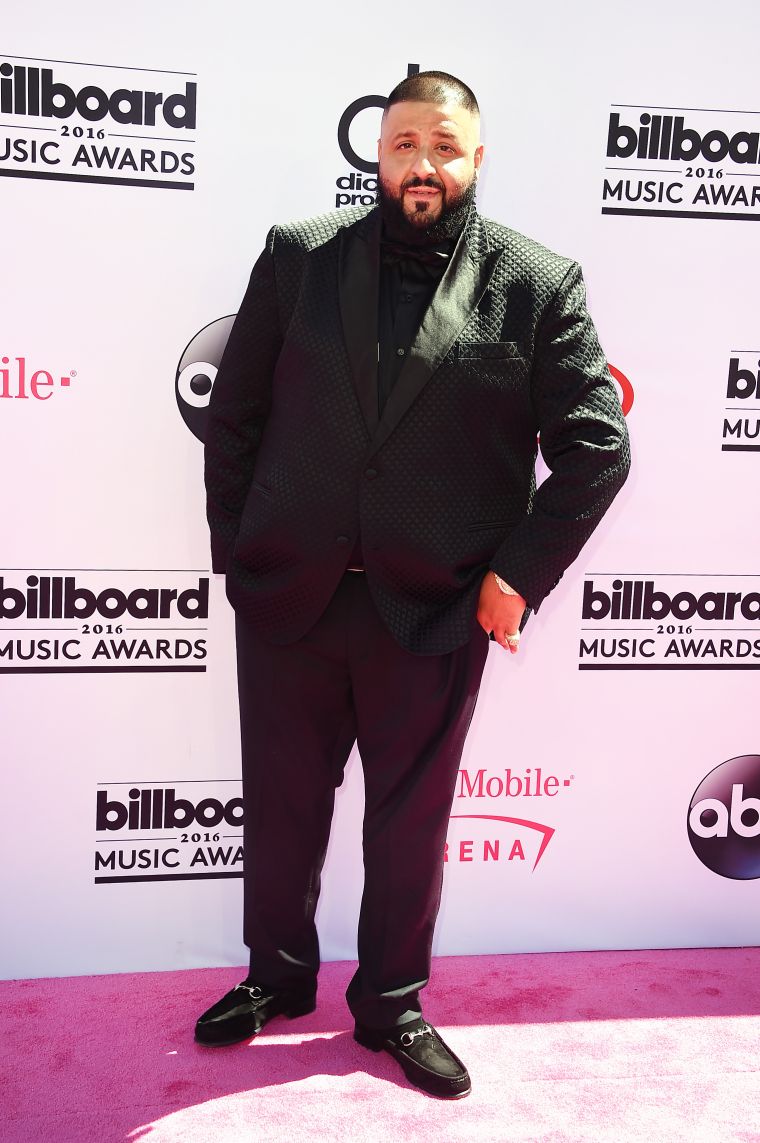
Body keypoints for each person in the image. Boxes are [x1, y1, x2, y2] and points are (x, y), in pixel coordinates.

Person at [196, 70, 630, 1099]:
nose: (421, 164)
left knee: (412, 824)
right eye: (402, 145)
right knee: (284, 806)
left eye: (442, 145)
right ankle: (276, 979)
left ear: (476, 158)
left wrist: (513, 579)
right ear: (376, 155)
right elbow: (236, 420)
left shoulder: (536, 282)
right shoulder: (299, 256)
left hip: (432, 610)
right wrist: (239, 551)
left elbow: (595, 447)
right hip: (290, 595)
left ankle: (389, 1002)